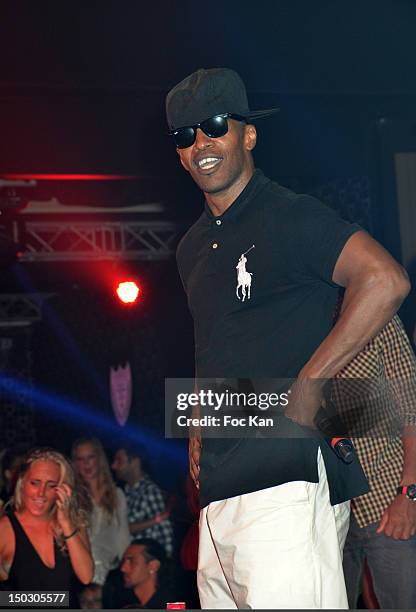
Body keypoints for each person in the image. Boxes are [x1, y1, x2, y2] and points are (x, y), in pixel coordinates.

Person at [165, 67, 410, 609]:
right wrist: (201, 425)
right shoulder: (189, 249)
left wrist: (311, 383)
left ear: (247, 135)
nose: (201, 143)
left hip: (287, 482)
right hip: (219, 494)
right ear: (179, 155)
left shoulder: (288, 215)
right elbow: (217, 341)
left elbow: (386, 279)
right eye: (186, 136)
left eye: (214, 126)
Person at [332, 314, 416, 609]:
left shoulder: (379, 316)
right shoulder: (309, 319)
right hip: (333, 511)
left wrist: (409, 494)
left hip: (385, 501)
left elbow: (411, 411)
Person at [0, 448, 93, 606]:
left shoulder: (73, 524)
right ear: (22, 483)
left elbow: (86, 576)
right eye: (35, 483)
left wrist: (66, 523)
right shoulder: (6, 528)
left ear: (62, 489)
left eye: (51, 486)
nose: (41, 493)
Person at [72, 437, 131, 585]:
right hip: (80, 575)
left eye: (90, 457)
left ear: (99, 459)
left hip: (110, 575)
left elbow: (123, 539)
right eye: (80, 459)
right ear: (75, 464)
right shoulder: (73, 498)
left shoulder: (117, 495)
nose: (86, 464)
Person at [111, 444, 173, 557]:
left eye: (119, 461)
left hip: (147, 566)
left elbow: (165, 533)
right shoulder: (125, 492)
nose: (113, 466)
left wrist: (164, 566)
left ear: (135, 462)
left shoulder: (149, 491)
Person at [120, 538, 176, 609]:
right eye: (123, 561)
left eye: (131, 561)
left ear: (153, 566)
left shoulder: (173, 605)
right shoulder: (124, 602)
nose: (123, 568)